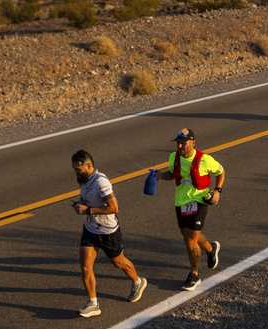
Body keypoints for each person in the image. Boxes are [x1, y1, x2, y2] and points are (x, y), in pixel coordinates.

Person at [71, 149, 147, 318]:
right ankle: (93, 303)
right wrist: (80, 205)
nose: (76, 172)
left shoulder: (101, 182)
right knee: (85, 266)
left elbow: (114, 208)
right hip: (90, 229)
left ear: (89, 166)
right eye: (75, 169)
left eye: (78, 169)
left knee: (119, 262)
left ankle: (137, 281)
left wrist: (88, 210)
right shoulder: (84, 180)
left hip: (107, 231)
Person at [159, 128, 225, 291]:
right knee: (188, 234)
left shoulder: (205, 160)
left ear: (193, 142)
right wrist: (159, 176)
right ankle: (211, 248)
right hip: (181, 201)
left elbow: (221, 172)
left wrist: (217, 191)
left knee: (191, 238)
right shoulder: (174, 157)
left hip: (200, 200)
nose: (180, 146)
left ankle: (194, 274)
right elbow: (173, 174)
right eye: (178, 143)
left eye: (183, 143)